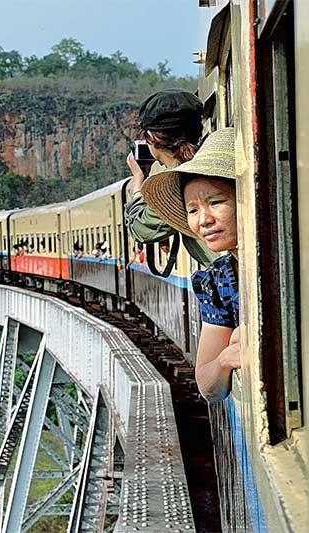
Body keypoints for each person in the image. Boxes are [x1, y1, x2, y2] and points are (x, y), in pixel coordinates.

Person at [141, 127, 239, 401]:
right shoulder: (218, 280)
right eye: (193, 210)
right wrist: (225, 360)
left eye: (216, 202)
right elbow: (208, 386)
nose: (204, 219)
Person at [124, 89, 218, 268]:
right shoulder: (213, 163)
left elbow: (142, 229)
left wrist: (138, 181)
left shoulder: (174, 184)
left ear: (152, 138)